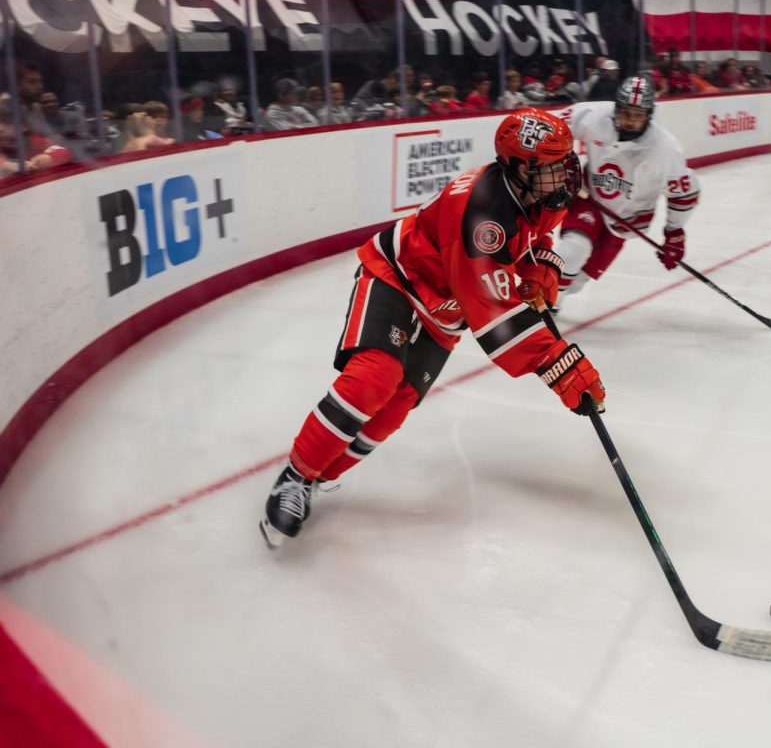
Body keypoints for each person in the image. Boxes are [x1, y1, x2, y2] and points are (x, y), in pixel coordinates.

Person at [260, 109, 600, 545]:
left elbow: (539, 233)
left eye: (564, 162)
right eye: (552, 167)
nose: (564, 176)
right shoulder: (484, 217)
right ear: (517, 167)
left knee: (397, 406)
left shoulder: (535, 193)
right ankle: (296, 476)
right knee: (373, 380)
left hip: (445, 308)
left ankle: (320, 474)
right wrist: (559, 365)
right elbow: (494, 315)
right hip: (397, 279)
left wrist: (541, 265)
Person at [556, 76, 700, 303]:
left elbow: (683, 193)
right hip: (589, 198)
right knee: (573, 250)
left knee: (577, 282)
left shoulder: (664, 148)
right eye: (625, 113)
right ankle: (544, 307)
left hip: (626, 222)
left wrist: (674, 232)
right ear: (616, 108)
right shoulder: (595, 116)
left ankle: (554, 298)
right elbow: (552, 127)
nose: (630, 121)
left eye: (638, 115)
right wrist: (556, 162)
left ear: (649, 115)